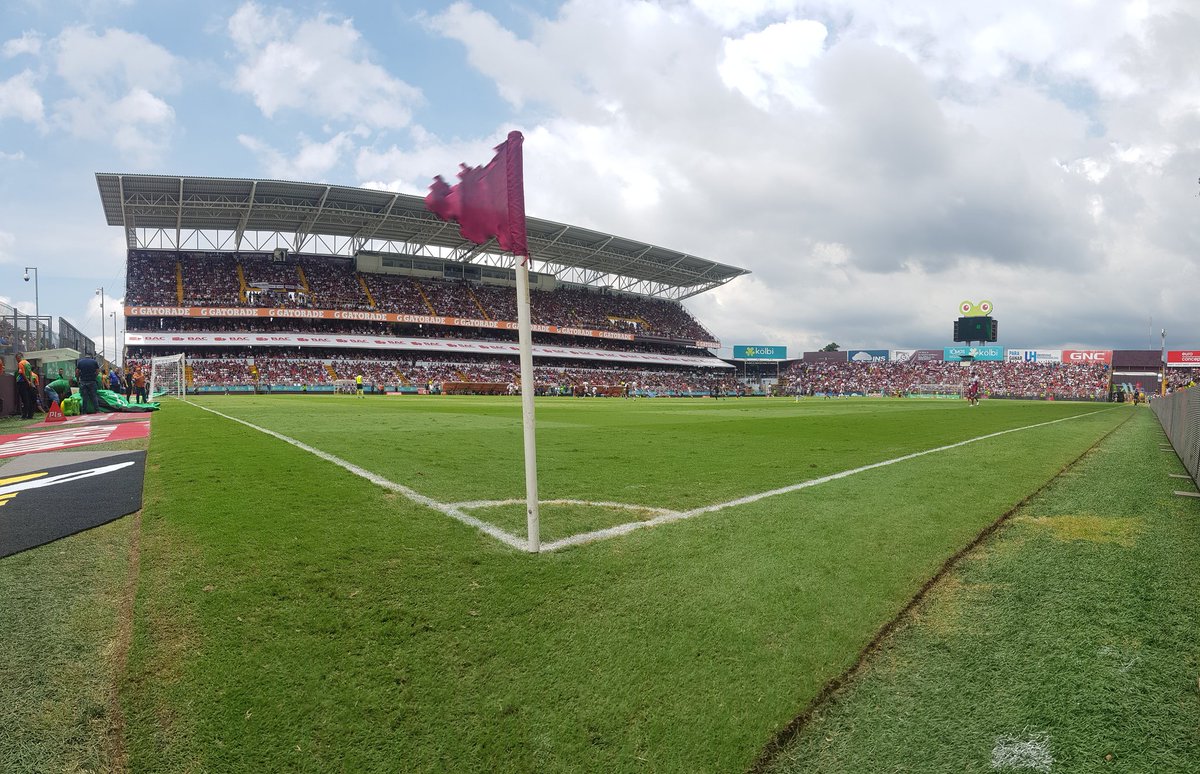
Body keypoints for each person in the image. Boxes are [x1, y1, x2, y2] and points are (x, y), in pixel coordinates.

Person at [14, 352, 36, 419]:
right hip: (29, 383)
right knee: (29, 399)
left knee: (24, 400)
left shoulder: (20, 363)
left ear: (18, 357)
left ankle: (24, 416)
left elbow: (22, 374)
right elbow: (30, 374)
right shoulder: (28, 363)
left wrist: (27, 381)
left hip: (22, 383)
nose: (16, 360)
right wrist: (31, 382)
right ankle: (30, 415)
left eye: (16, 358)